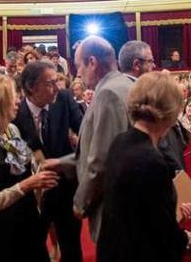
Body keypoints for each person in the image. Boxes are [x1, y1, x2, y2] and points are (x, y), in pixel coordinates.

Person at [97, 72, 191, 261]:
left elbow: (140, 203)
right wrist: (186, 238)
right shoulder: (150, 160)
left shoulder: (121, 141)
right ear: (171, 112)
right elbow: (158, 229)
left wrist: (172, 203)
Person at [0, 74, 58, 262]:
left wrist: (42, 171)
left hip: (26, 220)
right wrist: (27, 185)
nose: (18, 101)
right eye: (12, 97)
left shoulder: (10, 130)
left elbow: (25, 164)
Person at [12, 60, 83, 262]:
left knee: (71, 248)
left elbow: (86, 136)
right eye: (50, 83)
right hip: (33, 194)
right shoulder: (15, 112)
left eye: (56, 82)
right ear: (32, 88)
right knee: (33, 247)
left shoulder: (65, 99)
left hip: (66, 187)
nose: (56, 88)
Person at [72, 36, 131, 242]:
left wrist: (81, 203)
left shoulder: (108, 94)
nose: (78, 73)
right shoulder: (126, 83)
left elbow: (102, 160)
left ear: (92, 62)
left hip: (113, 207)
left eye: (79, 65)